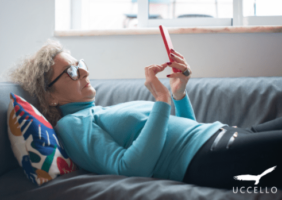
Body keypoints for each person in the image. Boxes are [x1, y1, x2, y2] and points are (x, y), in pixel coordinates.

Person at [9, 39, 282, 190]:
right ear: (51, 96)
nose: (84, 71)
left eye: (79, 64)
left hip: (220, 136)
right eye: (71, 71)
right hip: (209, 157)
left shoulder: (98, 112)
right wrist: (161, 100)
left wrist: (177, 93)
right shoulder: (72, 126)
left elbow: (184, 129)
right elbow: (130, 168)